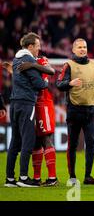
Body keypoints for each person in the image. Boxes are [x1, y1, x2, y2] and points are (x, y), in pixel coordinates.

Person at [56, 38, 94, 186]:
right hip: (75, 110)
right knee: (72, 144)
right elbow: (59, 84)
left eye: (84, 47)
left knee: (90, 143)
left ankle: (88, 176)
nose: (82, 49)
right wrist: (69, 83)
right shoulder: (68, 65)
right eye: (79, 47)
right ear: (73, 50)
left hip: (91, 110)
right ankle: (72, 176)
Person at [5, 33, 48, 188]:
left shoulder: (16, 59)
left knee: (14, 141)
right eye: (37, 46)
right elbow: (39, 84)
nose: (39, 49)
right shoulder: (28, 59)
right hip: (26, 103)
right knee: (27, 140)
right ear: (30, 46)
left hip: (15, 103)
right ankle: (23, 177)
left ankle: (10, 179)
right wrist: (46, 81)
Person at [16, 57, 59, 186]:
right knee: (35, 142)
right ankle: (36, 178)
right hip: (30, 104)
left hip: (43, 103)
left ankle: (52, 178)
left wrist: (32, 65)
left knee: (45, 138)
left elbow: (50, 71)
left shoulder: (41, 60)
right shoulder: (22, 61)